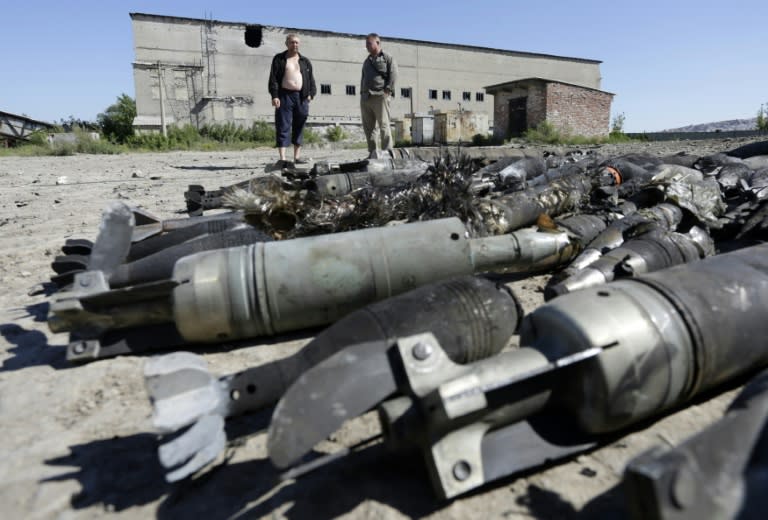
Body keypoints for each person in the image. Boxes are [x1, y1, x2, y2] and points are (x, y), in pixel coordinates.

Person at [268, 33, 317, 168]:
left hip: (301, 97)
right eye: (291, 42)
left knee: (299, 125)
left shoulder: (305, 61)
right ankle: (283, 158)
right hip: (284, 96)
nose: (294, 45)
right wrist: (275, 96)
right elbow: (273, 79)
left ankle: (297, 157)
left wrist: (311, 94)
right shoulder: (279, 59)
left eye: (296, 42)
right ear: (286, 44)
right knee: (283, 125)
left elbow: (311, 79)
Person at [360, 33, 398, 159]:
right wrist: (362, 93)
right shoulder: (367, 61)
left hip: (380, 96)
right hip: (366, 98)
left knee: (384, 125)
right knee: (369, 128)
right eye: (366, 44)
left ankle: (387, 152)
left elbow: (393, 74)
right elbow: (363, 78)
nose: (367, 46)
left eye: (369, 43)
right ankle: (372, 153)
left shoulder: (387, 57)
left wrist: (387, 90)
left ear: (377, 43)